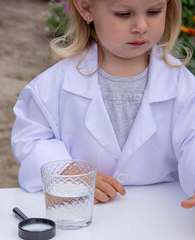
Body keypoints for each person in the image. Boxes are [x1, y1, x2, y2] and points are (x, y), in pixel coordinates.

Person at [11, 0, 195, 208]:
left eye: (154, 11)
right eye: (124, 14)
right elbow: (31, 139)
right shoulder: (51, 86)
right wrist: (66, 172)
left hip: (159, 215)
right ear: (87, 8)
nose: (142, 27)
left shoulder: (184, 87)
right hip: (83, 213)